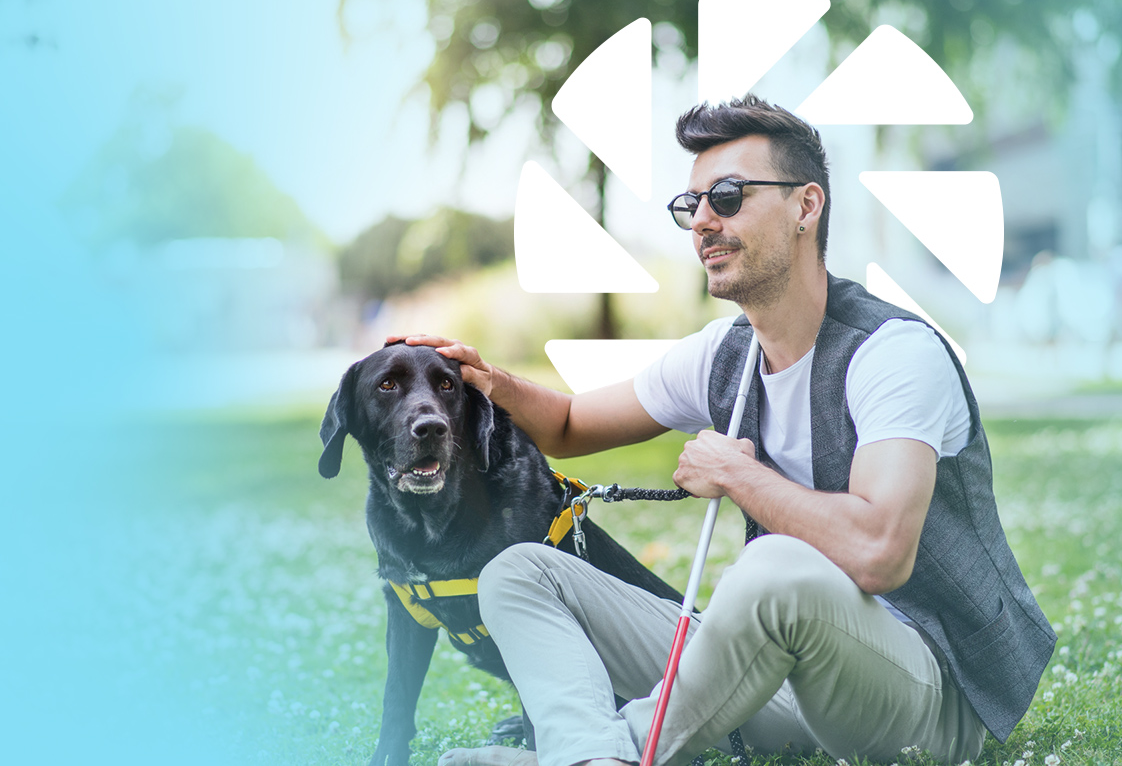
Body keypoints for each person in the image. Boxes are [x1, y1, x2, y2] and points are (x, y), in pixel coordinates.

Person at [404, 96, 1054, 766]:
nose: (704, 222)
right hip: (780, 671)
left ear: (807, 206)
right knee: (517, 574)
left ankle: (612, 751)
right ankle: (587, 753)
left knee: (772, 567)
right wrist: (492, 383)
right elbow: (569, 424)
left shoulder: (893, 353)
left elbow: (880, 551)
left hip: (926, 696)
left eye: (729, 195)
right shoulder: (725, 353)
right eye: (692, 206)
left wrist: (739, 475)